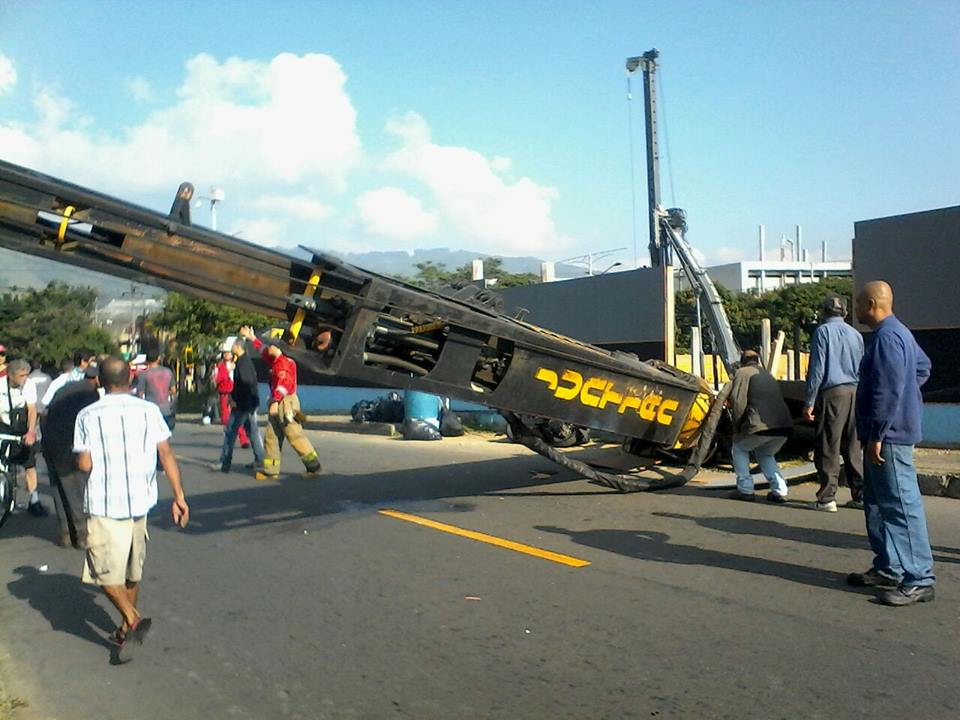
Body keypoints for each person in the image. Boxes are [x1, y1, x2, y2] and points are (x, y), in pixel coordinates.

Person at [73, 356, 189, 661]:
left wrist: (84, 461)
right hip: (140, 502)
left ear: (99, 380)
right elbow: (165, 453)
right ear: (131, 379)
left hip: (104, 504)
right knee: (130, 572)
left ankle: (131, 620)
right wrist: (179, 496)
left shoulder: (87, 415)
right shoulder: (149, 410)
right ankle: (125, 631)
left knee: (104, 572)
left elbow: (84, 463)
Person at [846, 281, 935, 607]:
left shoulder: (888, 337)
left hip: (888, 438)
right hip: (881, 434)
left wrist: (881, 432)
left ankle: (920, 578)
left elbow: (888, 389)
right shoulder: (897, 334)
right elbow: (923, 367)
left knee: (900, 507)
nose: (854, 310)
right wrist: (908, 396)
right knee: (877, 504)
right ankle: (889, 567)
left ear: (871, 304)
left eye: (857, 303)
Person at [803, 294, 865, 512]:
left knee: (828, 445)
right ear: (845, 313)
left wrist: (809, 401)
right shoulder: (856, 334)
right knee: (853, 445)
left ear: (823, 312)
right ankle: (860, 494)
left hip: (833, 392)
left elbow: (817, 370)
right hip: (856, 391)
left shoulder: (822, 332)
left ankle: (827, 497)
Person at [238, 325, 321, 480]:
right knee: (272, 437)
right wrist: (252, 338)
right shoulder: (276, 359)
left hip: (286, 403)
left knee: (294, 435)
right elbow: (263, 351)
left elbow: (284, 384)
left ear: (280, 348)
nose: (269, 347)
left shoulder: (285, 363)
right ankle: (271, 470)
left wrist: (275, 401)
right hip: (278, 402)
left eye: (272, 345)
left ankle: (313, 467)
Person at [41, 364, 100, 548]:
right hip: (67, 446)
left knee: (58, 489)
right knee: (75, 489)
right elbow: (90, 424)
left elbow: (45, 413)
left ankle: (65, 533)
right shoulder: (91, 395)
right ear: (97, 379)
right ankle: (82, 536)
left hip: (50, 442)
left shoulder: (65, 388)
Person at [726, 349, 794, 503]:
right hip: (784, 426)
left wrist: (736, 428)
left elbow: (738, 402)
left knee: (739, 448)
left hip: (760, 426)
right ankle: (780, 490)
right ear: (758, 361)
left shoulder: (742, 373)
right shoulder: (766, 374)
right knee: (765, 454)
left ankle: (745, 489)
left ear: (741, 362)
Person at [0, 358, 48, 516]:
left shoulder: (28, 385)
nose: (25, 378)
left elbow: (32, 409)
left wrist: (31, 431)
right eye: (21, 375)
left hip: (22, 425)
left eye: (27, 375)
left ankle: (34, 500)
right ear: (10, 375)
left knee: (29, 464)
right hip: (4, 423)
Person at [214, 337, 264, 473]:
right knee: (252, 431)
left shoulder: (243, 364)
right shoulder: (243, 361)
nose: (230, 350)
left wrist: (236, 400)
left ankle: (225, 462)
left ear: (238, 346)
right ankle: (260, 459)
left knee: (230, 431)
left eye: (232, 347)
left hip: (243, 405)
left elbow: (247, 385)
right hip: (247, 403)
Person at [214, 346, 250, 448]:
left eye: (228, 352)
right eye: (225, 353)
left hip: (235, 393)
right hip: (225, 394)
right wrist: (226, 370)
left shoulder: (238, 364)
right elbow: (217, 379)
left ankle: (244, 440)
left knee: (238, 417)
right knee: (226, 418)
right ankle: (230, 438)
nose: (226, 354)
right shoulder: (220, 366)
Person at [135, 349, 177, 432]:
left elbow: (140, 394)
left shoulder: (143, 374)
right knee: (165, 436)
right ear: (158, 359)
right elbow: (173, 390)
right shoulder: (168, 372)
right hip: (166, 410)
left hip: (150, 411)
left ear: (146, 361)